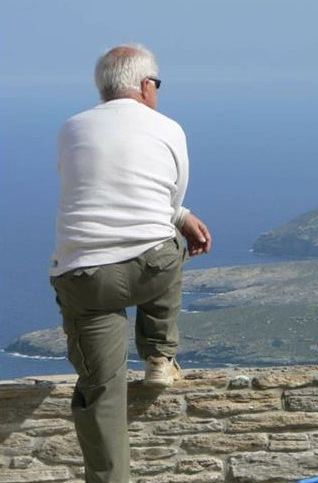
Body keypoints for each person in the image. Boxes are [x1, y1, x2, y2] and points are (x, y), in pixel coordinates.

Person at [49, 43, 211, 483]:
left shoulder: (71, 128)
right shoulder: (168, 128)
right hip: (149, 269)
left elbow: (94, 187)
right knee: (172, 245)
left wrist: (177, 214)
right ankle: (159, 357)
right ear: (144, 86)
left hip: (86, 276)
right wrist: (183, 217)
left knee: (101, 388)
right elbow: (168, 200)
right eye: (156, 84)